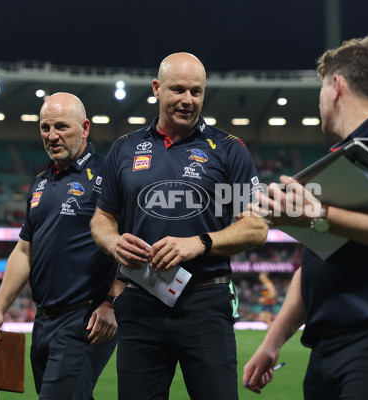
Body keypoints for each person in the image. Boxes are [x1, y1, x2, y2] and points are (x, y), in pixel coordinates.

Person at [242, 37, 368, 399]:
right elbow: (316, 263)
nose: (319, 99)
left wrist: (319, 215)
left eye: (321, 87)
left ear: (337, 87)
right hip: (328, 351)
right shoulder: (339, 158)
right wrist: (273, 342)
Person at [90, 52, 268, 400]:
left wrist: (200, 242)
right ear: (157, 89)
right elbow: (102, 218)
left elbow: (256, 227)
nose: (188, 100)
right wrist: (113, 243)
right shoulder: (125, 149)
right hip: (140, 302)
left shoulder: (229, 150)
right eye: (178, 90)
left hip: (205, 300)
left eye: (196, 92)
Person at [0, 92, 118, 400]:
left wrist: (111, 304)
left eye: (62, 127)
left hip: (86, 320)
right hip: (43, 322)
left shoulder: (109, 176)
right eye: (45, 128)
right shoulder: (40, 182)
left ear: (85, 128)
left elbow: (131, 246)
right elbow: (24, 250)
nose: (52, 136)